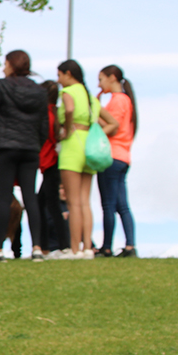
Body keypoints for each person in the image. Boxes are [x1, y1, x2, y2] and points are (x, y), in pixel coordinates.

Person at [0, 50, 50, 261]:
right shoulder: (39, 91)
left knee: (4, 198)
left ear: (11, 65)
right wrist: (36, 144)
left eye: (5, 63)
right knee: (30, 198)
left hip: (7, 147)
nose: (3, 68)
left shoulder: (2, 85)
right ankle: (36, 247)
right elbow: (45, 125)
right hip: (30, 148)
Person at [53, 59, 119, 260]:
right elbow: (112, 123)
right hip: (89, 147)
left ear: (68, 74)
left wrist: (67, 130)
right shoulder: (91, 97)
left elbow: (70, 109)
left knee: (72, 203)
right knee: (84, 201)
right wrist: (95, 134)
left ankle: (75, 250)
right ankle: (88, 248)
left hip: (73, 145)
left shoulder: (68, 93)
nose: (58, 80)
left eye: (60, 75)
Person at [96, 65, 137, 258]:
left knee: (109, 205)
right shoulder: (124, 100)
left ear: (112, 78)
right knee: (122, 205)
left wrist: (95, 114)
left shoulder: (118, 100)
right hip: (123, 156)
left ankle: (106, 247)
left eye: (101, 79)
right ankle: (130, 245)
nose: (99, 84)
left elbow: (113, 126)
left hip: (110, 156)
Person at [37, 81, 69, 258]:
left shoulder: (47, 114)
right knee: (44, 203)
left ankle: (57, 246)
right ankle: (48, 246)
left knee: (50, 204)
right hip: (52, 162)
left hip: (50, 162)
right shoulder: (54, 113)